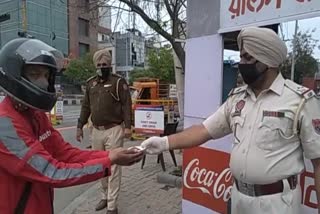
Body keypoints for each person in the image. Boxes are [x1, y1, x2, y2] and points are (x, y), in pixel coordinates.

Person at [141, 27, 320, 214]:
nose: (241, 63)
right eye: (241, 57)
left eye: (248, 58)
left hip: (277, 203)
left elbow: (318, 163)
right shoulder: (237, 98)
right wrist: (164, 142)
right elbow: (203, 130)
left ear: (269, 61)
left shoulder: (300, 101)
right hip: (238, 199)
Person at [0, 38, 143, 214]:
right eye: (35, 74)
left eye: (46, 75)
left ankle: (111, 203)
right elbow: (53, 172)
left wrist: (109, 154)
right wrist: (108, 160)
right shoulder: (5, 126)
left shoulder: (35, 114)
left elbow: (64, 153)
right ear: (15, 75)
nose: (44, 82)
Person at [76, 49, 132, 213]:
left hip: (113, 130)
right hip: (96, 131)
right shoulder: (90, 83)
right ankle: (104, 197)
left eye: (105, 64)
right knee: (101, 166)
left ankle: (112, 206)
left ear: (110, 65)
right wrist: (80, 126)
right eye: (99, 65)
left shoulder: (118, 82)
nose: (102, 67)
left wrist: (128, 126)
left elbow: (126, 105)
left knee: (113, 167)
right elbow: (86, 106)